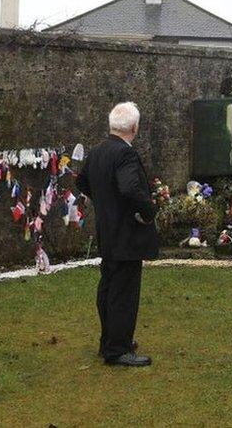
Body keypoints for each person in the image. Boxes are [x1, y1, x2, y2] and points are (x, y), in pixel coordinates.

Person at [76, 102, 160, 367]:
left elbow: (82, 182)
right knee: (123, 291)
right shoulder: (125, 154)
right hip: (126, 233)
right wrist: (148, 212)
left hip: (107, 231)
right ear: (134, 128)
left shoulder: (97, 152)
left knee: (109, 286)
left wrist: (104, 204)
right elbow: (130, 189)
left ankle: (109, 341)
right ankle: (118, 349)